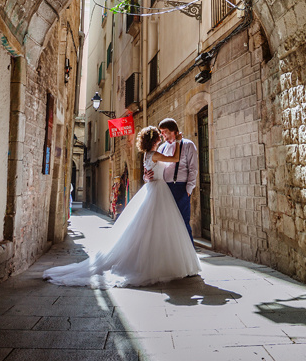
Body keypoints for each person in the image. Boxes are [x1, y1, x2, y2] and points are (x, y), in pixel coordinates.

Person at [43, 126, 200, 288]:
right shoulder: (155, 153)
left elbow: (148, 174)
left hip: (153, 189)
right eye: (159, 136)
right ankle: (156, 263)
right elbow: (174, 159)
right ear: (154, 140)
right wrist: (179, 141)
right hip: (158, 191)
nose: (161, 137)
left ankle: (157, 259)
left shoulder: (147, 155)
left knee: (150, 228)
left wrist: (146, 177)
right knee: (157, 227)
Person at [145, 118, 198, 244]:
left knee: (183, 223)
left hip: (180, 189)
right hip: (163, 190)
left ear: (174, 131)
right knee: (165, 225)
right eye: (161, 132)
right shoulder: (162, 148)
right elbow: (153, 168)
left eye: (165, 132)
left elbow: (193, 169)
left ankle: (188, 258)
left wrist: (188, 190)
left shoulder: (188, 145)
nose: (162, 135)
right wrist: (146, 177)